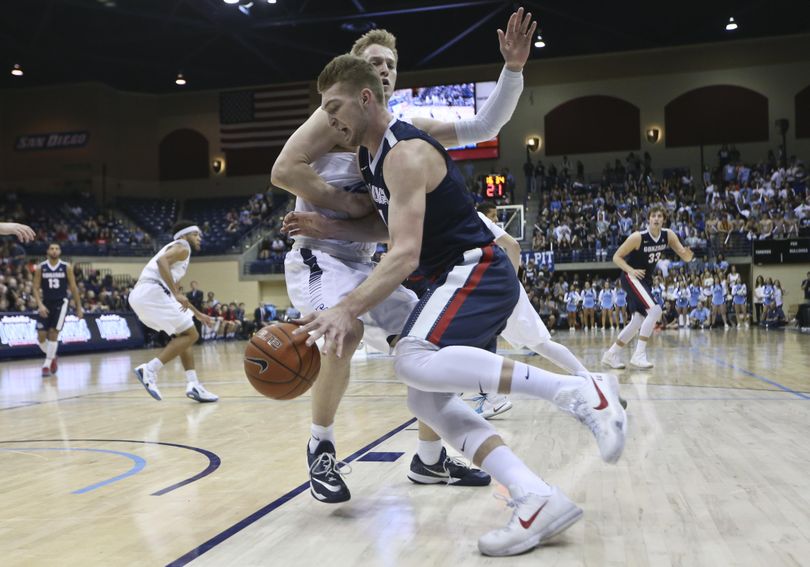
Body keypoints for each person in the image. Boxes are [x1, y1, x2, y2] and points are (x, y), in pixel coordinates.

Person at [293, 50, 626, 557]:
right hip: (454, 274)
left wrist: (346, 307)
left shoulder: (404, 151)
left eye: (334, 106)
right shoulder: (368, 153)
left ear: (365, 99)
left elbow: (403, 254)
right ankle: (534, 496)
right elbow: (391, 226)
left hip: (473, 268)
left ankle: (579, 391)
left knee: (412, 358)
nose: (328, 118)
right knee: (424, 397)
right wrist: (333, 227)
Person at [271, 11, 534, 502]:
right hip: (320, 255)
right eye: (373, 63)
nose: (384, 69)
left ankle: (429, 460)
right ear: (359, 77)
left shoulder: (403, 132)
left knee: (431, 345)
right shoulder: (331, 118)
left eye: (390, 63)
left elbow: (484, 123)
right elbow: (284, 169)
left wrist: (512, 70)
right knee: (341, 330)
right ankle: (321, 446)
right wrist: (343, 207)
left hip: (367, 260)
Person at [128, 221, 218, 403]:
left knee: (184, 335)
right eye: (196, 234)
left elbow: (174, 290)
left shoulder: (175, 254)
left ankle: (193, 384)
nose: (199, 238)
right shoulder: (183, 247)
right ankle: (149, 370)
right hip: (152, 292)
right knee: (191, 335)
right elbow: (163, 263)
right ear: (184, 236)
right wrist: (176, 293)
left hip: (145, 294)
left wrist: (198, 314)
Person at [602, 206, 694, 370]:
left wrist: (688, 255)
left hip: (645, 280)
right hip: (631, 276)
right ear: (649, 219)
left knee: (637, 320)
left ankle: (611, 354)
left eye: (660, 216)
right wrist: (631, 270)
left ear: (663, 220)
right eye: (653, 216)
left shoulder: (668, 235)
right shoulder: (638, 237)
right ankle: (639, 355)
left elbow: (684, 256)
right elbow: (616, 257)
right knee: (655, 310)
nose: (657, 218)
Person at [32, 243, 84, 377]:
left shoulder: (66, 267)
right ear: (47, 251)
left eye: (56, 249)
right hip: (45, 303)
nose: (54, 251)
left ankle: (46, 365)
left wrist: (79, 307)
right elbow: (35, 288)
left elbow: (73, 288)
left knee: (53, 333)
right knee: (41, 337)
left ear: (60, 251)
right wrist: (40, 305)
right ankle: (52, 355)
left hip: (61, 303)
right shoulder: (41, 267)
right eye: (51, 248)